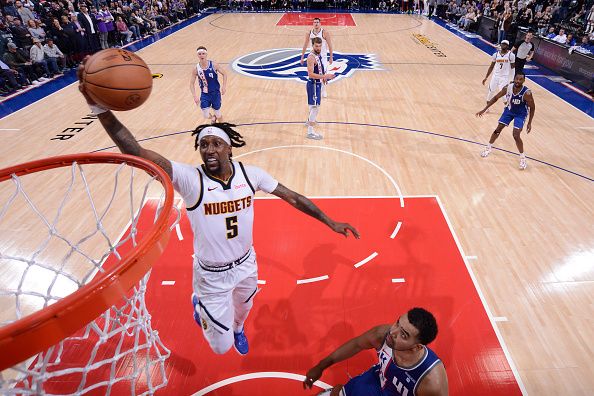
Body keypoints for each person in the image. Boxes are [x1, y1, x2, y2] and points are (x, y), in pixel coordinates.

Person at [77, 58, 359, 357]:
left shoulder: (251, 175)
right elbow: (136, 151)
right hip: (211, 275)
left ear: (229, 148)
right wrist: (99, 107)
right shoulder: (190, 179)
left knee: (244, 310)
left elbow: (293, 197)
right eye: (204, 145)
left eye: (215, 144)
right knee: (221, 349)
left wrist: (330, 222)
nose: (209, 150)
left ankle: (237, 329)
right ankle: (200, 303)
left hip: (247, 263)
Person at [303, 308, 448, 396]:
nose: (393, 332)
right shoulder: (383, 335)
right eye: (398, 322)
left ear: (417, 346)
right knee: (337, 393)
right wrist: (321, 366)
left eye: (403, 335)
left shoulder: (431, 381)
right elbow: (356, 345)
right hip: (375, 382)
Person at [476, 73, 536, 170]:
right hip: (509, 111)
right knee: (497, 129)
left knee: (516, 135)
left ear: (524, 81)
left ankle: (523, 158)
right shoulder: (508, 88)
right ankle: (488, 148)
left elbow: (532, 107)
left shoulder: (527, 93)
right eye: (517, 79)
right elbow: (496, 98)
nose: (518, 81)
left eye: (521, 79)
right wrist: (484, 109)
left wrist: (529, 122)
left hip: (521, 114)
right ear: (514, 79)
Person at [306, 37, 335, 140]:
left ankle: (309, 120)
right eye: (316, 46)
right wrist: (324, 77)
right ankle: (310, 132)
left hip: (317, 84)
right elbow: (310, 74)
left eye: (320, 46)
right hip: (313, 84)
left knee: (313, 106)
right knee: (315, 107)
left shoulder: (318, 55)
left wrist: (324, 78)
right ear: (312, 45)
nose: (318, 48)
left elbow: (319, 69)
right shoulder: (311, 57)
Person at [190, 46, 227, 123]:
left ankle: (223, 127)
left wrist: (224, 86)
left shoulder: (214, 65)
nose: (201, 55)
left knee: (218, 114)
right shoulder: (196, 69)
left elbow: (224, 74)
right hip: (205, 94)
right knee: (206, 115)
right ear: (197, 55)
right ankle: (213, 117)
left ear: (206, 55)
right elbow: (191, 83)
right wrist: (195, 96)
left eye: (203, 53)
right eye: (199, 54)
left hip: (215, 93)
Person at [300, 17, 333, 98]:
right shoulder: (309, 33)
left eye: (317, 22)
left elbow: (330, 45)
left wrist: (331, 56)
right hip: (313, 56)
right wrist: (302, 56)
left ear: (320, 23)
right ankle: (315, 89)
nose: (316, 24)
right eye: (314, 22)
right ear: (313, 24)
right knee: (314, 73)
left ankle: (324, 89)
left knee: (323, 73)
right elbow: (305, 45)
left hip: (323, 57)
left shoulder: (324, 32)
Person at [482, 39, 515, 106]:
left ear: (508, 46)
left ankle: (507, 107)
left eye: (505, 44)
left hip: (504, 77)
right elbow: (491, 67)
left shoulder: (511, 55)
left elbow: (513, 68)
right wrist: (486, 77)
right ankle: (487, 107)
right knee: (491, 91)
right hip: (495, 76)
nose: (503, 45)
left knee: (502, 93)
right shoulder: (495, 55)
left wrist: (511, 79)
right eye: (502, 44)